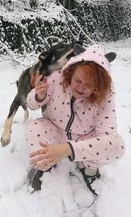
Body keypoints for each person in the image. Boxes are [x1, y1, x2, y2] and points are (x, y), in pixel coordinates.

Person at [25, 44, 125, 195]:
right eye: (78, 80)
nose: (80, 88)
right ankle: (47, 163)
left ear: (98, 86)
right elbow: (30, 104)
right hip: (55, 130)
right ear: (71, 71)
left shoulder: (105, 97)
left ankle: (89, 168)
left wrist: (69, 149)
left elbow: (109, 137)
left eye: (89, 85)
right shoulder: (57, 78)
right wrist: (39, 95)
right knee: (34, 128)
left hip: (84, 138)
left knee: (117, 146)